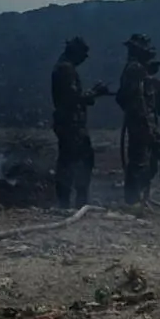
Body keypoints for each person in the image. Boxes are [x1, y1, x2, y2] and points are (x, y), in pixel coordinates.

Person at [50, 36, 110, 210]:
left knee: (71, 162)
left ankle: (71, 203)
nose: (84, 58)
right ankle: (72, 203)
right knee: (76, 162)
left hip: (70, 124)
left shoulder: (63, 67)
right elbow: (73, 97)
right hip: (71, 125)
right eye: (83, 54)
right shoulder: (65, 69)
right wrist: (95, 92)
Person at [116, 33, 160, 207]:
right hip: (141, 124)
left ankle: (141, 197)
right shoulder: (135, 70)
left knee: (151, 160)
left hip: (144, 123)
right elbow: (134, 99)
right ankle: (133, 200)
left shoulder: (138, 71)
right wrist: (144, 123)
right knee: (140, 162)